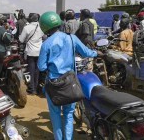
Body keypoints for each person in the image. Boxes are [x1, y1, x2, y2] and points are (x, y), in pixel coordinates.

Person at [37, 11, 100, 140]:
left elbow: (41, 67)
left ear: (44, 27)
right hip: (70, 82)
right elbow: (86, 52)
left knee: (55, 116)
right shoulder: (72, 38)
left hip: (54, 84)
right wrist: (96, 53)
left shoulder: (46, 44)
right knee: (69, 115)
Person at [19, 14, 44, 95]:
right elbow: (45, 37)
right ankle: (36, 88)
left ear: (30, 19)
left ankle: (31, 89)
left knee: (30, 71)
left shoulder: (27, 27)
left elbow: (21, 40)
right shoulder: (42, 27)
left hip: (30, 52)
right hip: (40, 51)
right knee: (37, 71)